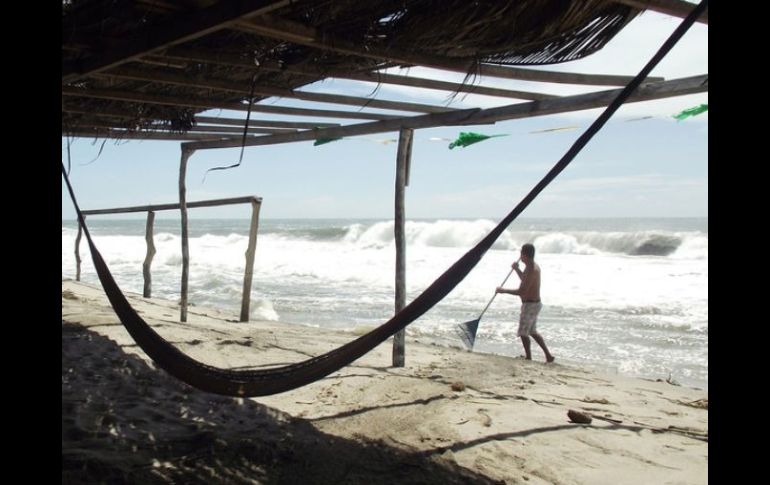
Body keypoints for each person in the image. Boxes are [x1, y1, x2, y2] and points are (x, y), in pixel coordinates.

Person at [496, 243, 555, 363]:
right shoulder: (530, 267)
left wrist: (503, 291)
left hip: (530, 304)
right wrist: (517, 269)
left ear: (524, 255)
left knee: (523, 332)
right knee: (532, 331)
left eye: (521, 253)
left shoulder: (532, 269)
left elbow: (522, 291)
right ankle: (548, 355)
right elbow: (525, 279)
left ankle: (529, 357)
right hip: (534, 303)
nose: (520, 256)